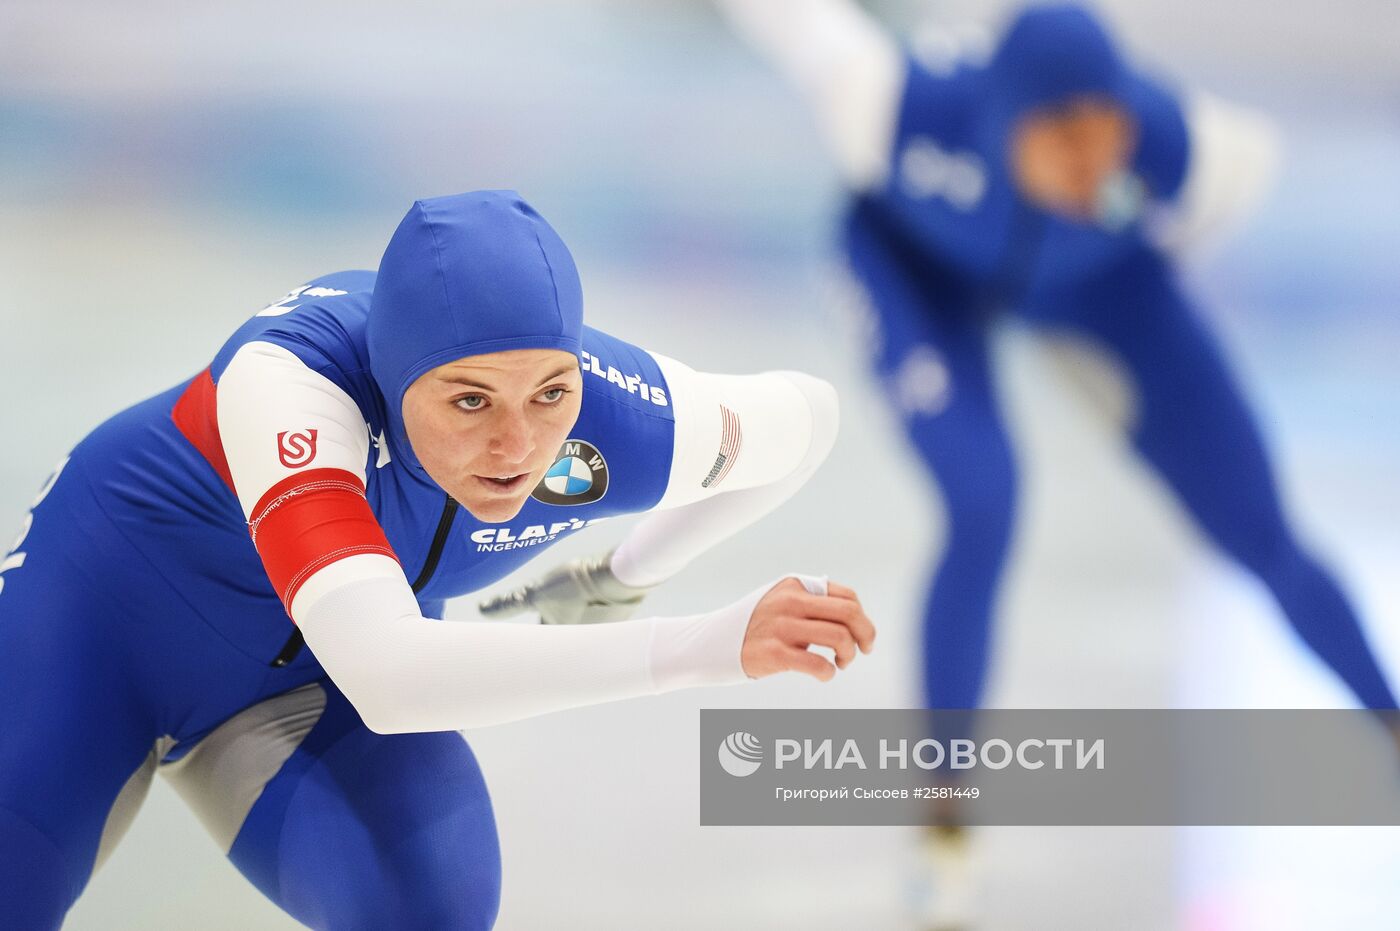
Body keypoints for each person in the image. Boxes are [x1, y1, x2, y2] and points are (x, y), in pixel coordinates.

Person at [0, 189, 875, 930]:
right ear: (389, 372)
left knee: (434, 902)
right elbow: (391, 676)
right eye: (468, 399)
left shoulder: (624, 420)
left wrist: (621, 578)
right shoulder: (290, 382)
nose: (517, 443)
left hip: (306, 685)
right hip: (93, 631)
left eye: (550, 393)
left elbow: (810, 421)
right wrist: (711, 645)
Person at [714, 1, 1396, 926]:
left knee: (1260, 530)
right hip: (917, 275)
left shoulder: (1195, 153)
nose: (1091, 161)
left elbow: (1185, 227)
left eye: (1104, 132)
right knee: (985, 500)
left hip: (1094, 286)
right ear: (1000, 128)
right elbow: (794, 23)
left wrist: (1091, 326)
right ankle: (945, 813)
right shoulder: (887, 105)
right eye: (1061, 138)